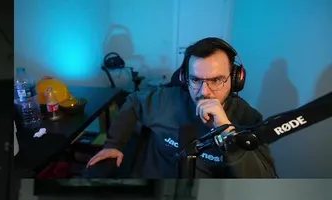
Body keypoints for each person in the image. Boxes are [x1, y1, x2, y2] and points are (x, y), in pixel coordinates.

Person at [84, 37, 277, 179]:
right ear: (185, 78)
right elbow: (134, 101)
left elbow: (264, 180)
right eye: (196, 80)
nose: (204, 92)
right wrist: (114, 144)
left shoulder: (248, 120)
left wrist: (227, 132)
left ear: (235, 80)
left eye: (216, 80)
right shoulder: (165, 100)